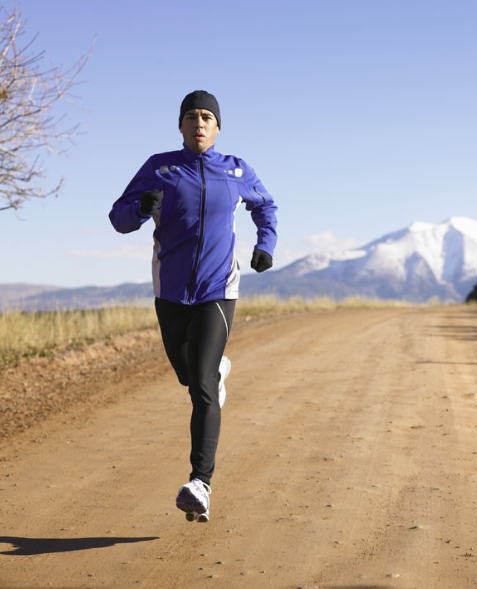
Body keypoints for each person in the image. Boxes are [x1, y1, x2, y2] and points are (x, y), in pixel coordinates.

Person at [109, 90, 277, 523]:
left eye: (207, 117)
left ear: (217, 127)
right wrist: (139, 209)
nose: (199, 123)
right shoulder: (159, 167)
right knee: (189, 375)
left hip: (217, 291)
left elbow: (266, 206)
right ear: (180, 126)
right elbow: (118, 216)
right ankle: (216, 370)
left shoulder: (236, 170)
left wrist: (266, 245)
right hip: (170, 293)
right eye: (191, 117)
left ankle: (200, 483)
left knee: (201, 388)